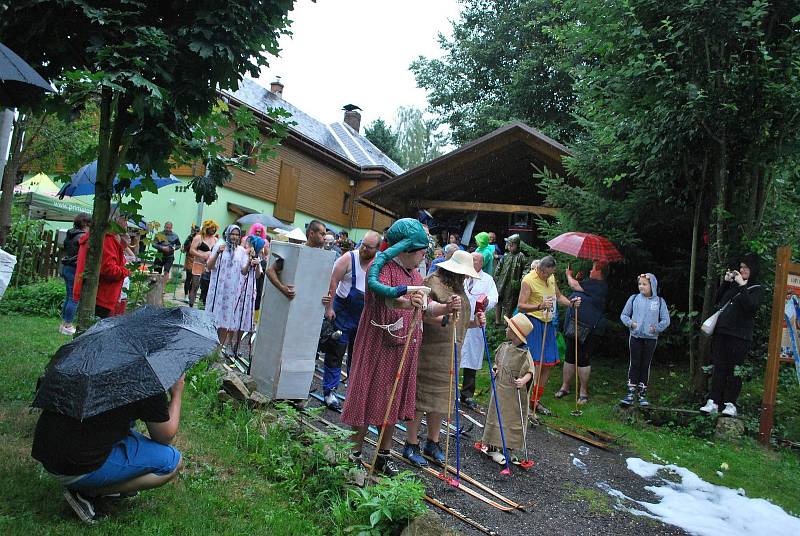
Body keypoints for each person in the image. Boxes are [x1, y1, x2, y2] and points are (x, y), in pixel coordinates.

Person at [31, 374, 185, 524]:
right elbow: (164, 436)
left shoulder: (89, 358)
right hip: (75, 467)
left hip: (48, 454)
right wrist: (177, 392)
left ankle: (96, 480)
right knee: (171, 462)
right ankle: (88, 492)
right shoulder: (145, 374)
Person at [341, 219, 430, 476]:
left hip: (403, 347)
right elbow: (387, 301)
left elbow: (423, 306)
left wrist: (445, 309)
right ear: (405, 249)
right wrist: (407, 302)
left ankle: (382, 456)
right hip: (378, 345)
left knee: (392, 401)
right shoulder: (379, 270)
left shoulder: (415, 274)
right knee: (368, 397)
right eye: (420, 252)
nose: (423, 257)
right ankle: (353, 455)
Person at [403, 250, 482, 467]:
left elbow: (459, 321)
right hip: (429, 351)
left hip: (451, 353)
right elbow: (422, 312)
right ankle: (411, 444)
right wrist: (445, 317)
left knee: (440, 401)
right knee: (421, 399)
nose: (465, 278)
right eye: (463, 274)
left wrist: (475, 322)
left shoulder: (458, 287)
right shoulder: (432, 282)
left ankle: (433, 442)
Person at [319, 231, 381, 410]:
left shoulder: (378, 264)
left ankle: (353, 394)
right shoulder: (348, 258)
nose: (363, 249)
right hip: (343, 312)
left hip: (363, 316)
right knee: (336, 352)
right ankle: (329, 391)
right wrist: (329, 308)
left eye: (368, 247)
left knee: (358, 356)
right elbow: (333, 281)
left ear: (376, 249)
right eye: (362, 245)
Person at [700, 254, 763, 416]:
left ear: (753, 269)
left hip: (740, 337)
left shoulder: (756, 288)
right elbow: (718, 300)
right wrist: (727, 282)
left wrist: (742, 286)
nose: (743, 270)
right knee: (719, 367)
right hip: (722, 333)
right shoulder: (734, 286)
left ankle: (730, 403)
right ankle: (713, 401)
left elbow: (750, 307)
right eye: (741, 267)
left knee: (734, 371)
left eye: (746, 268)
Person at [517, 255, 580, 414]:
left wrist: (571, 303)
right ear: (539, 268)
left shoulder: (551, 278)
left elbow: (558, 296)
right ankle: (525, 398)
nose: (546, 276)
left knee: (548, 364)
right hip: (535, 323)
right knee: (536, 364)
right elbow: (521, 306)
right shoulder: (528, 280)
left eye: (549, 274)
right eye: (544, 273)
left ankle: (535, 401)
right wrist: (539, 305)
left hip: (549, 324)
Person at [481, 313, 534, 464]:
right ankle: (493, 447)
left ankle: (508, 448)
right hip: (500, 391)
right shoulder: (504, 347)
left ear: (516, 333)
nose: (506, 329)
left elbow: (531, 370)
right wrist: (495, 369)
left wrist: (523, 380)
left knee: (511, 419)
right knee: (496, 415)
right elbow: (498, 362)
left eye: (509, 327)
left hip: (513, 394)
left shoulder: (524, 353)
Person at [555, 262, 610, 405]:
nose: (591, 270)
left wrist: (569, 275)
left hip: (587, 328)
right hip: (574, 325)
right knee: (569, 357)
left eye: (593, 268)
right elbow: (580, 287)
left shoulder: (600, 285)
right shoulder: (590, 283)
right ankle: (565, 386)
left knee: (583, 359)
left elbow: (574, 286)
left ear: (599, 271)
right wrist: (578, 280)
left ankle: (583, 392)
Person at [206, 225, 261, 351]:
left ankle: (218, 349)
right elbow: (209, 266)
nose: (235, 237)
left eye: (237, 234)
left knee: (226, 320)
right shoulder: (219, 246)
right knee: (214, 318)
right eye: (232, 234)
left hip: (232, 292)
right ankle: (209, 347)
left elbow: (243, 271)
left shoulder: (241, 251)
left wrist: (249, 262)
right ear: (227, 234)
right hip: (218, 289)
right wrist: (217, 253)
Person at [618, 272, 670, 406]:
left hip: (651, 339)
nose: (641, 286)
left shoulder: (659, 301)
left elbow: (666, 320)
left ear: (652, 285)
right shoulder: (634, 298)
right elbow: (624, 315)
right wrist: (631, 324)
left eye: (645, 284)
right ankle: (630, 393)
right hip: (635, 336)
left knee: (645, 364)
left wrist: (656, 328)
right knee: (634, 363)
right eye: (640, 284)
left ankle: (642, 394)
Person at [73, 213, 131, 319]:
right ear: (115, 220)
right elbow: (108, 270)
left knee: (88, 330)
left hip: (95, 294)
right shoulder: (106, 239)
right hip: (101, 296)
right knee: (95, 332)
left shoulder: (99, 236)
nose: (127, 224)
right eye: (125, 220)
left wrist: (121, 246)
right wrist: (127, 271)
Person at [460, 252, 499, 410]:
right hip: (459, 320)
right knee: (454, 354)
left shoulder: (487, 280)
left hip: (476, 322)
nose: (471, 262)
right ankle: (449, 389)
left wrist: (487, 301)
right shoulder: (461, 274)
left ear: (481, 263)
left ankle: (467, 394)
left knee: (471, 358)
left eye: (474, 260)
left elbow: (494, 297)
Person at [266, 220, 326, 300]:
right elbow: (270, 271)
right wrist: (282, 288)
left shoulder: (324, 257)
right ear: (311, 234)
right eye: (322, 234)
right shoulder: (293, 252)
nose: (324, 238)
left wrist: (324, 296)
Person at [59, 212, 91, 335]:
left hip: (67, 267)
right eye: (90, 224)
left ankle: (64, 324)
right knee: (74, 297)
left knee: (69, 296)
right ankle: (67, 325)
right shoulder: (83, 236)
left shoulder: (71, 233)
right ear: (85, 224)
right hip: (74, 268)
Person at [494, 235, 528, 325]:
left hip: (513, 284)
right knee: (499, 300)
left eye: (511, 245)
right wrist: (496, 277)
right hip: (502, 282)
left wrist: (523, 278)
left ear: (517, 245)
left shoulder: (521, 257)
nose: (509, 247)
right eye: (508, 245)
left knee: (510, 302)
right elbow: (499, 267)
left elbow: (526, 268)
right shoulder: (505, 256)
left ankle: (507, 321)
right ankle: (497, 320)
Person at [188, 220, 218, 308]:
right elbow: (191, 250)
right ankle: (191, 305)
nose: (213, 230)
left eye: (214, 228)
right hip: (198, 264)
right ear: (206, 228)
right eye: (211, 228)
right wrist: (201, 254)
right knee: (195, 286)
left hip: (209, 267)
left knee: (206, 288)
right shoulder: (199, 238)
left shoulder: (215, 239)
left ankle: (203, 306)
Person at [246, 225, 269, 325]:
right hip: (247, 282)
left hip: (259, 275)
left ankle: (254, 319)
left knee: (257, 296)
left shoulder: (264, 244)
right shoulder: (248, 245)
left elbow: (266, 257)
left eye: (260, 232)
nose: (258, 233)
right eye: (257, 231)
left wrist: (260, 261)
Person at [181, 224, 199, 301]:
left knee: (194, 279)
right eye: (193, 230)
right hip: (190, 259)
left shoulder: (200, 238)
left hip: (198, 260)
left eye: (196, 231)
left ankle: (191, 294)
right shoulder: (190, 238)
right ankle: (186, 295)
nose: (194, 232)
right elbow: (184, 249)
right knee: (189, 278)